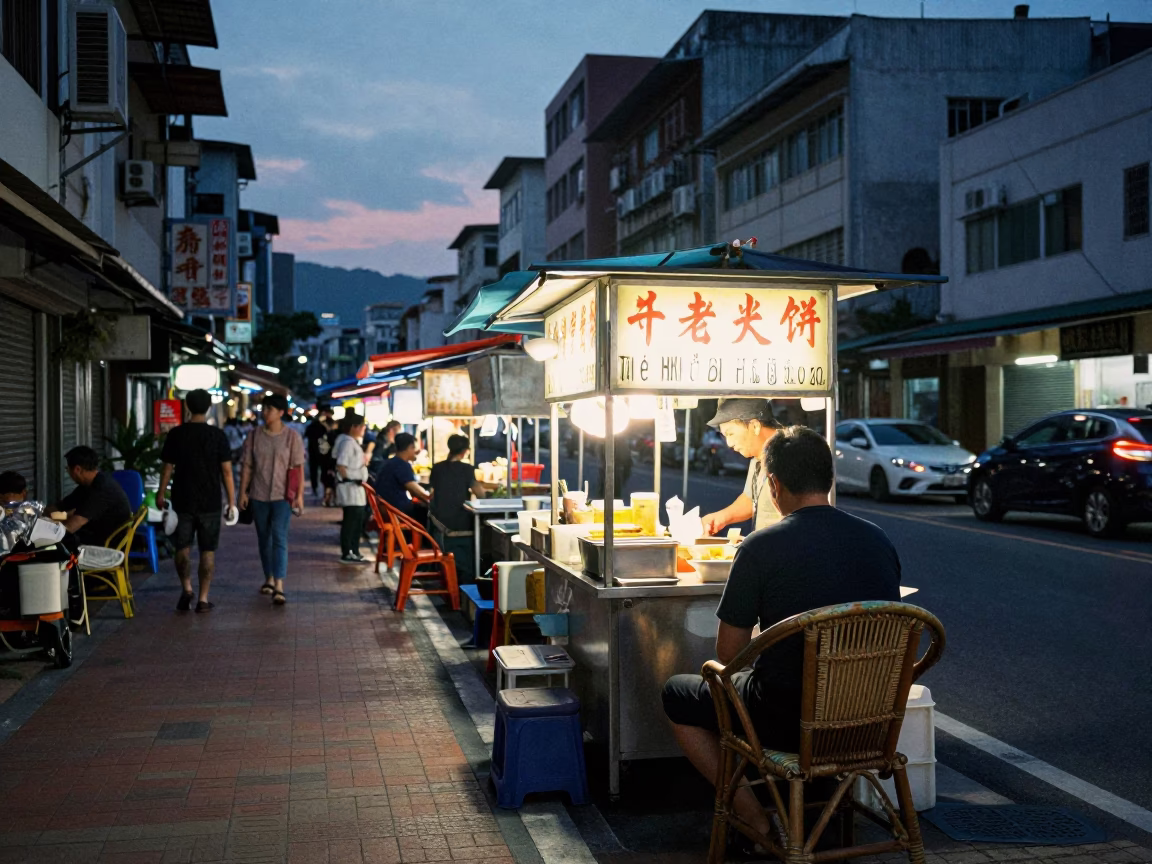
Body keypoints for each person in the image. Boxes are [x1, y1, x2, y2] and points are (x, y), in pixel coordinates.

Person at [662, 426, 902, 843]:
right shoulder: (878, 540)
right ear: (828, 478)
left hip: (789, 722)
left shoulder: (759, 547)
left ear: (772, 484)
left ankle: (756, 820)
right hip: (869, 719)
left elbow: (729, 655)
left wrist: (771, 635)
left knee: (677, 693)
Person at [156, 388, 236, 613]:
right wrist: (232, 501)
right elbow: (227, 472)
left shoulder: (176, 434)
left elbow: (167, 468)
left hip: (182, 499)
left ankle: (187, 587)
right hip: (210, 500)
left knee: (182, 547)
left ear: (187, 407)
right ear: (209, 406)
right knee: (207, 550)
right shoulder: (217, 435)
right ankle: (203, 598)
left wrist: (162, 493)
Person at [239, 394, 305, 606]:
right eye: (264, 408)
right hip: (258, 494)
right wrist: (242, 493)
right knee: (263, 538)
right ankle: (268, 577)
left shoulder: (292, 437)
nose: (265, 412)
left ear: (281, 412)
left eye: (270, 409)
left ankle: (279, 585)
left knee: (279, 537)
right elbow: (247, 466)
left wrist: (300, 496)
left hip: (283, 496)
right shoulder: (254, 436)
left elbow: (298, 468)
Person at [700, 398, 783, 536]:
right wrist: (721, 517)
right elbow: (751, 498)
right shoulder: (757, 459)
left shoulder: (792, 453)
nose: (729, 443)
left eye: (730, 433)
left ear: (755, 426)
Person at [428, 434, 486, 581]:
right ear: (465, 451)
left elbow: (433, 493)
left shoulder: (437, 468)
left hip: (439, 523)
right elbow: (481, 494)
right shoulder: (467, 469)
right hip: (458, 523)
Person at [56, 446, 132, 547]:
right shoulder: (90, 484)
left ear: (77, 469)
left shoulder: (101, 488)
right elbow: (61, 507)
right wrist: (45, 516)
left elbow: (73, 525)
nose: (68, 473)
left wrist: (47, 535)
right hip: (96, 534)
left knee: (59, 542)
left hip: (106, 544)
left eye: (68, 469)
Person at [333, 412, 370, 562]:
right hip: (351, 488)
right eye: (362, 426)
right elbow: (341, 465)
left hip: (356, 489)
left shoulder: (350, 441)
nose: (364, 428)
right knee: (351, 522)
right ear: (354, 427)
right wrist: (351, 478)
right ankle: (347, 551)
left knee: (356, 521)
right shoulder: (347, 443)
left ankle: (354, 550)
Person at [372, 431, 429, 524]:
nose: (416, 452)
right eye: (414, 448)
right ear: (409, 448)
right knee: (427, 513)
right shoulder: (401, 465)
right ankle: (420, 538)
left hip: (385, 508)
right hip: (395, 510)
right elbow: (416, 490)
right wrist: (429, 498)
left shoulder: (389, 463)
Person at [305, 407, 333, 497]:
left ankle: (316, 488)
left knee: (315, 470)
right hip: (321, 452)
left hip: (315, 451)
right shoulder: (322, 425)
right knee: (321, 470)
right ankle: (320, 488)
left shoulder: (312, 425)